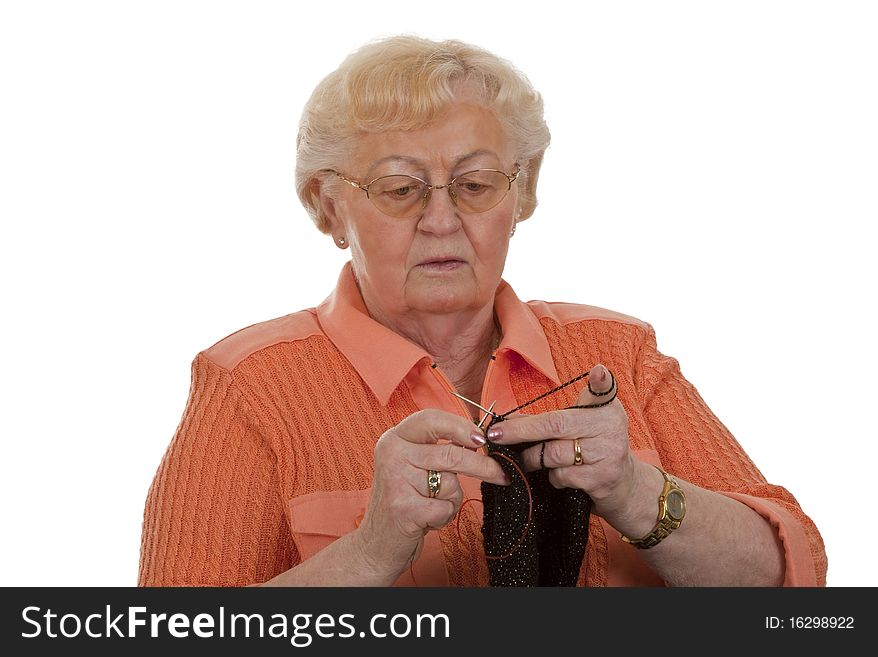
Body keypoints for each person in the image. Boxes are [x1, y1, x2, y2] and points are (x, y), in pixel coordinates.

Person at [138, 35, 826, 587]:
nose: (442, 219)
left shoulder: (619, 354)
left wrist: (637, 490)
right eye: (400, 187)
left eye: (474, 183)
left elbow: (793, 581)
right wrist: (370, 552)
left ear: (520, 196)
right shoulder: (250, 384)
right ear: (328, 206)